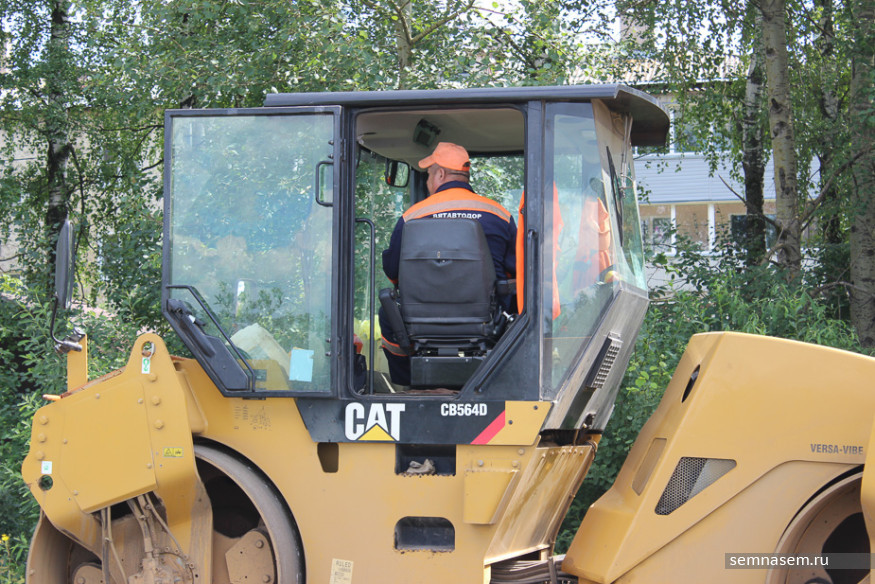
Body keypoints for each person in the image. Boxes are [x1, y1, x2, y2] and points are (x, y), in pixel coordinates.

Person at [379, 142, 517, 386]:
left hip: (419, 325)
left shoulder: (412, 216)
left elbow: (393, 273)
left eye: (428, 175)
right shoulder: (499, 215)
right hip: (487, 324)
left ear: (440, 174)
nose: (427, 181)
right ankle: (501, 381)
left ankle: (408, 384)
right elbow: (516, 272)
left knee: (387, 313)